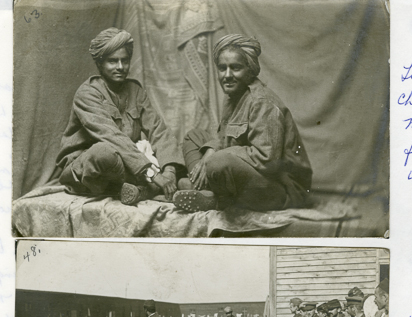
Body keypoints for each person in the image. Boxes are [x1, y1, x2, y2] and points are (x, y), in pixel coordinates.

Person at [173, 34, 312, 213]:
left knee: (218, 161)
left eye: (235, 68)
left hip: (282, 188)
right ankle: (203, 186)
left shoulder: (262, 101)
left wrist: (215, 155)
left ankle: (214, 198)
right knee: (193, 136)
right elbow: (223, 138)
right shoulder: (234, 97)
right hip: (252, 174)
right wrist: (211, 149)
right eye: (222, 68)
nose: (227, 75)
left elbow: (267, 161)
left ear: (250, 70)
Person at [57, 27, 184, 206]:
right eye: (112, 61)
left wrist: (169, 170)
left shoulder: (136, 90)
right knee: (104, 152)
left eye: (125, 60)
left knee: (167, 152)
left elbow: (158, 129)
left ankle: (142, 189)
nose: (120, 67)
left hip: (126, 163)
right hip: (89, 167)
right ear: (100, 64)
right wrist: (154, 174)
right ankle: (151, 187)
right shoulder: (87, 93)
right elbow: (111, 137)